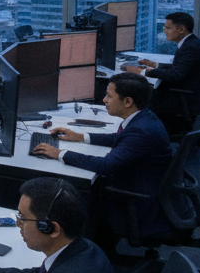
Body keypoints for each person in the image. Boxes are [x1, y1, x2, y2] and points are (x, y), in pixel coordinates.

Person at [32, 72, 174, 243]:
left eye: (109, 96)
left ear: (128, 102)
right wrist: (81, 136)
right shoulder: (144, 118)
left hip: (139, 203)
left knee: (71, 195)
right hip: (144, 186)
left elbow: (105, 165)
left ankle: (86, 249)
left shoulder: (140, 132)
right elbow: (119, 139)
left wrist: (60, 154)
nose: (104, 100)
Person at [123, 12, 200, 135]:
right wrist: (155, 65)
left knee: (143, 94)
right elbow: (181, 67)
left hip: (189, 96)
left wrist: (143, 71)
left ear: (181, 29)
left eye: (168, 28)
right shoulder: (192, 43)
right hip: (195, 90)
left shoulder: (190, 47)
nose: (165, 31)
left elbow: (175, 76)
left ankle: (145, 134)